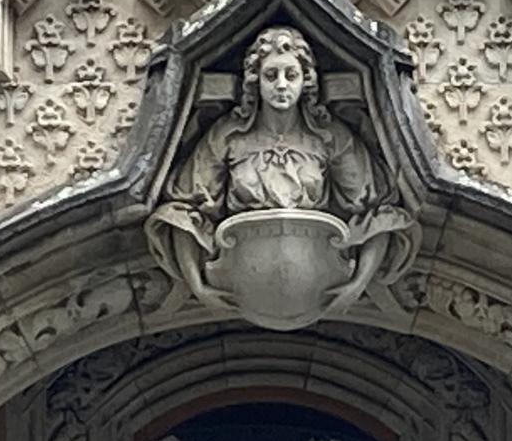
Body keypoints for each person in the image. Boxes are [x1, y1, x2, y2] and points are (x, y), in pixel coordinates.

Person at [146, 25, 416, 314]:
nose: (282, 85)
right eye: (271, 75)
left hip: (319, 273)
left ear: (306, 81)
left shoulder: (329, 138)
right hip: (239, 272)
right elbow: (182, 211)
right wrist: (197, 285)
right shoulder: (228, 137)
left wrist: (358, 283)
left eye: (291, 75)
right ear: (256, 81)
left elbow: (380, 211)